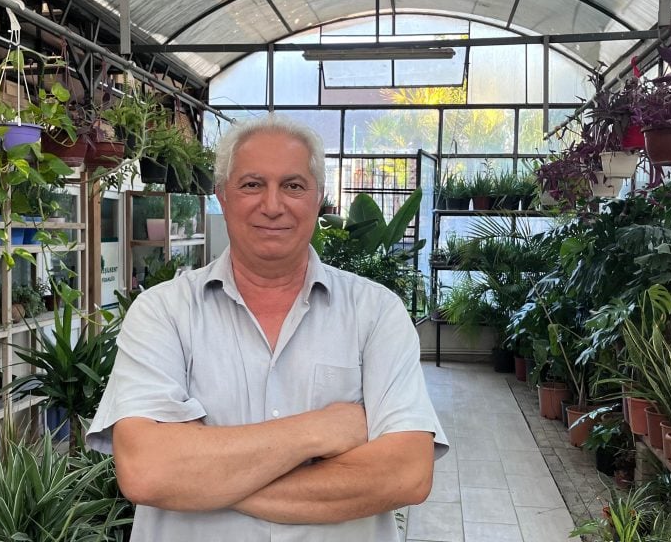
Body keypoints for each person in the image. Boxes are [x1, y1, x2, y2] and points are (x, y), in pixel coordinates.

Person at [87, 114, 449, 542]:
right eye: (252, 184)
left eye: (293, 186)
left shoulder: (376, 313)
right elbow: (147, 471)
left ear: (318, 199)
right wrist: (322, 429)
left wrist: (204, 476)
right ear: (222, 196)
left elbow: (406, 474)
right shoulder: (162, 312)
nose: (273, 205)